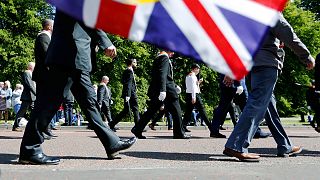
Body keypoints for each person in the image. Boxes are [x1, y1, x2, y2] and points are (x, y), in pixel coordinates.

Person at [18, 10, 136, 165]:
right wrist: (105, 42)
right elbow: (85, 15)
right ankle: (30, 149)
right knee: (49, 102)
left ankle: (112, 143)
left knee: (90, 104)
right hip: (68, 56)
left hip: (74, 57)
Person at [223, 13, 315, 162]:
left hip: (253, 65)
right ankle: (236, 145)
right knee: (257, 104)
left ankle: (284, 145)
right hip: (267, 64)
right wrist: (306, 56)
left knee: (268, 105)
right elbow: (289, 34)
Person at [131, 50, 190, 139]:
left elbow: (163, 76)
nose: (173, 53)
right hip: (166, 89)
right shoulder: (164, 58)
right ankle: (179, 133)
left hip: (160, 88)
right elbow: (162, 74)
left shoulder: (158, 58)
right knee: (176, 110)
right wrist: (163, 90)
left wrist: (175, 86)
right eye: (172, 51)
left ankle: (137, 128)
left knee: (152, 110)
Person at [109, 58, 140, 131]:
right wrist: (128, 95)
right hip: (131, 94)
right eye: (135, 62)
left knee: (125, 111)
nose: (136, 64)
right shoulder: (129, 71)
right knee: (135, 109)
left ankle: (112, 123)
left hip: (130, 93)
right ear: (131, 63)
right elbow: (128, 84)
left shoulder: (128, 71)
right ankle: (138, 127)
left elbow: (124, 81)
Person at [182, 64, 213, 134]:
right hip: (194, 95)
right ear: (195, 69)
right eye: (198, 69)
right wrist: (194, 97)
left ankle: (183, 127)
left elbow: (190, 86)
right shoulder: (193, 76)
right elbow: (193, 88)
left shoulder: (188, 76)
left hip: (189, 94)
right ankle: (211, 128)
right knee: (203, 111)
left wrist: (198, 83)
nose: (199, 71)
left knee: (188, 112)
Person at [12, 62, 36, 132]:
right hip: (27, 97)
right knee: (22, 112)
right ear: (30, 67)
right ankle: (15, 126)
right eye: (34, 67)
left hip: (32, 96)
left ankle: (34, 126)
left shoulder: (31, 74)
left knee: (34, 111)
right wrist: (36, 93)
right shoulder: (27, 73)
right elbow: (30, 85)